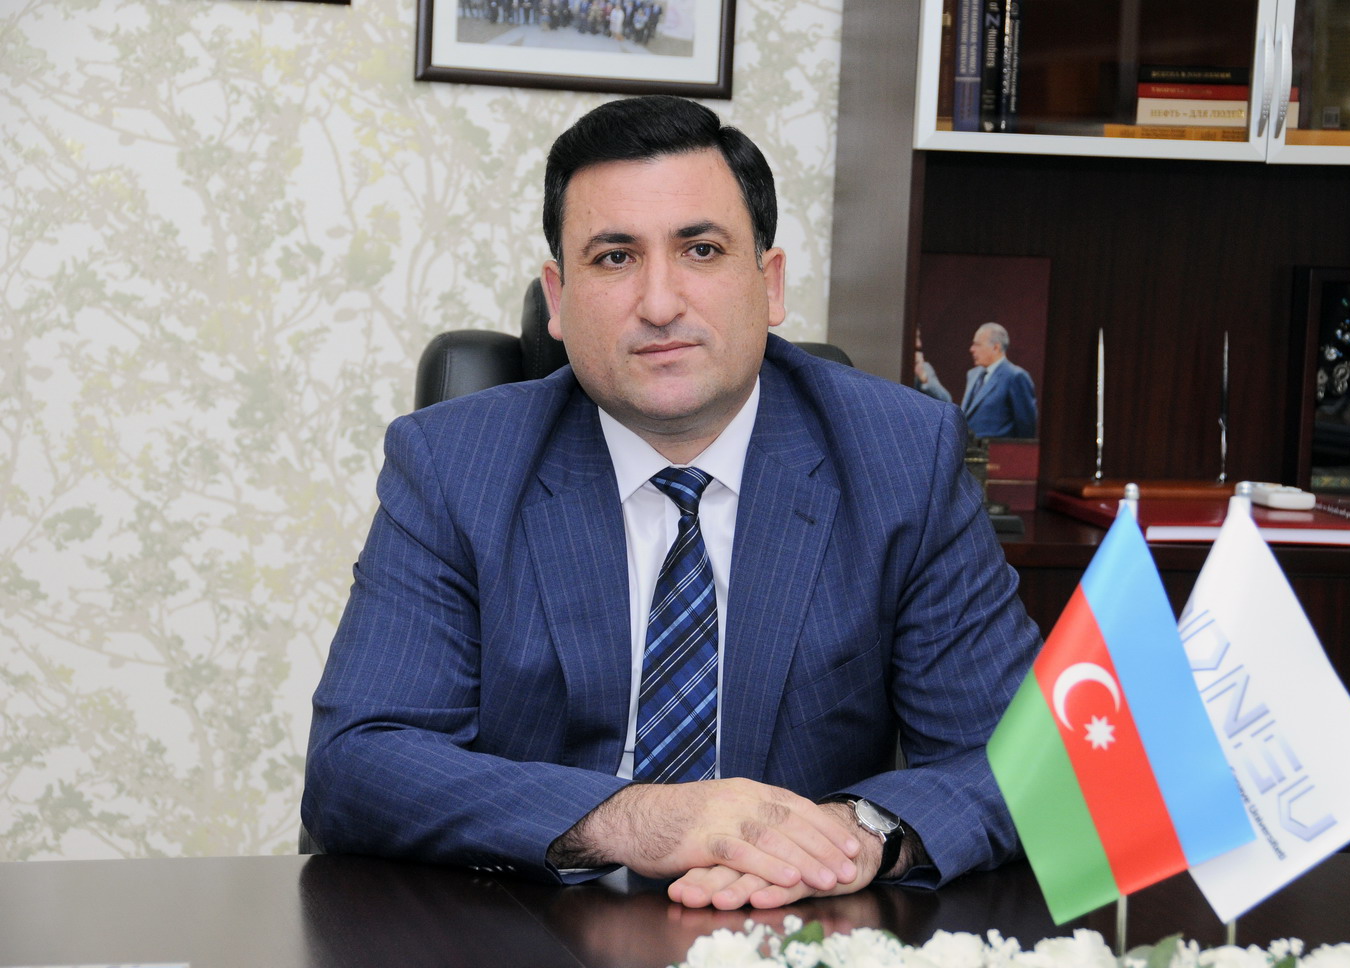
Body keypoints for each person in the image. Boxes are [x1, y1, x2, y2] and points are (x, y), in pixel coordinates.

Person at [303, 96, 1039, 911]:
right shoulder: (455, 465)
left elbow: (1025, 763)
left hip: (792, 924)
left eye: (701, 249)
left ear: (769, 284)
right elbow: (355, 764)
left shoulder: (901, 458)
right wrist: (635, 820)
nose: (659, 303)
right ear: (558, 297)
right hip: (528, 921)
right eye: (615, 257)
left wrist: (860, 832)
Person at [960, 322, 1037, 439]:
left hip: (997, 449)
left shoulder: (1015, 376)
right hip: (968, 448)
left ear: (996, 348)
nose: (972, 349)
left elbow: (1026, 426)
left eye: (977, 345)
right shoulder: (972, 374)